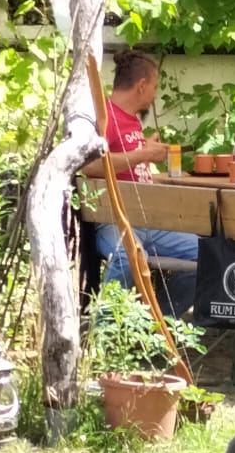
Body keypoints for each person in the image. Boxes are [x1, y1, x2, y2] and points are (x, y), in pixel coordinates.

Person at [82, 50, 202, 316]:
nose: (154, 95)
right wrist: (143, 154)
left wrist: (151, 161)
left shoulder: (132, 119)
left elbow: (130, 167)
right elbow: (89, 165)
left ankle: (158, 326)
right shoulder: (105, 116)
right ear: (142, 86)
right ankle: (104, 334)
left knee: (206, 255)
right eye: (155, 87)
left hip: (147, 221)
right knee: (129, 257)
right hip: (113, 219)